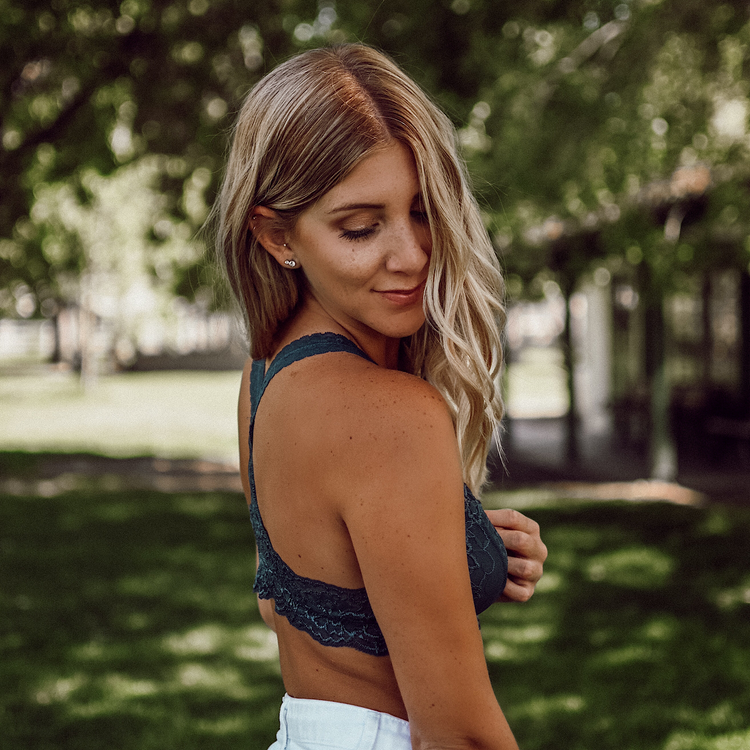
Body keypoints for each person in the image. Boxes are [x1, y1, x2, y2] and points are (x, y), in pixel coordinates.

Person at [216, 44, 547, 750]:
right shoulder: (392, 416)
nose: (412, 255)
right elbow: (459, 735)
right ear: (278, 236)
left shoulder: (265, 376)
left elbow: (282, 604)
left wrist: (463, 548)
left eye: (425, 212)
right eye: (361, 228)